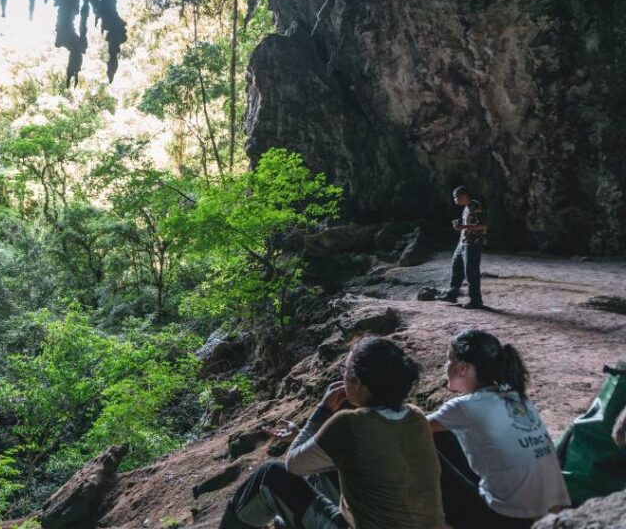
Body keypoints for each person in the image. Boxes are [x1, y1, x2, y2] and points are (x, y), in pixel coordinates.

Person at [219, 338, 445, 529]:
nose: (342, 377)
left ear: (359, 383)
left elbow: (293, 464)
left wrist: (323, 410)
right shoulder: (415, 417)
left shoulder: (348, 423)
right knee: (322, 473)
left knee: (271, 475)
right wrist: (302, 434)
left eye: (345, 371)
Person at [428, 329, 569, 528]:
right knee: (452, 434)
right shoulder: (516, 395)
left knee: (430, 442)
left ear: (463, 368)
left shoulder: (464, 407)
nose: (446, 365)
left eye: (449, 359)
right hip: (553, 513)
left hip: (509, 520)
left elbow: (412, 427)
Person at [439, 186, 488, 309]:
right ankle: (452, 294)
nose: (455, 200)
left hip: (473, 243)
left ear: (464, 196)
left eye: (456, 197)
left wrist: (462, 227)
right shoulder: (466, 208)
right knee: (456, 267)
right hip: (463, 242)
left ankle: (476, 300)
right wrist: (461, 228)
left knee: (471, 271)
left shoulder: (476, 206)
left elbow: (483, 226)